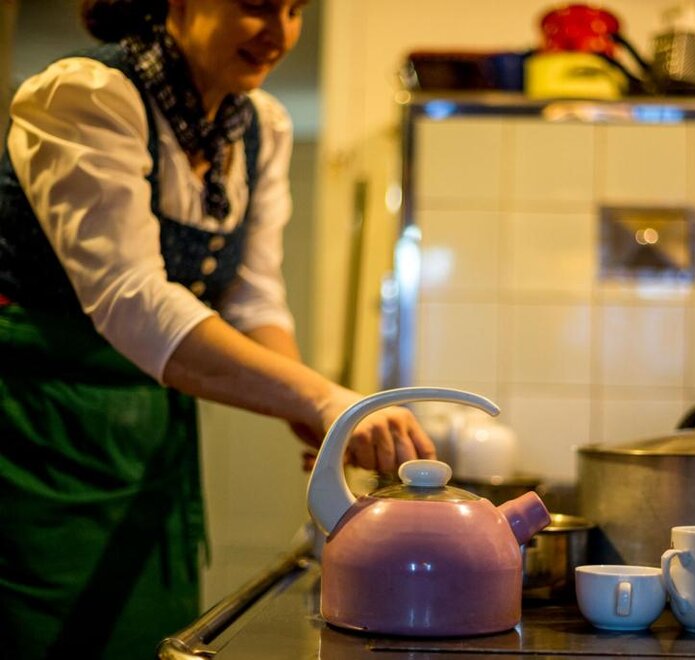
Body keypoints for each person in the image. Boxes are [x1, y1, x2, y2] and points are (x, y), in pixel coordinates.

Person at [0, 0, 435, 656]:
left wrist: (314, 412)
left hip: (151, 440)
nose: (279, 34)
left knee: (148, 634)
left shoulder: (259, 126)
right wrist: (320, 397)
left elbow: (252, 300)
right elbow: (133, 302)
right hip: (38, 434)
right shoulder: (84, 98)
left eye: (295, 10)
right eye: (256, 5)